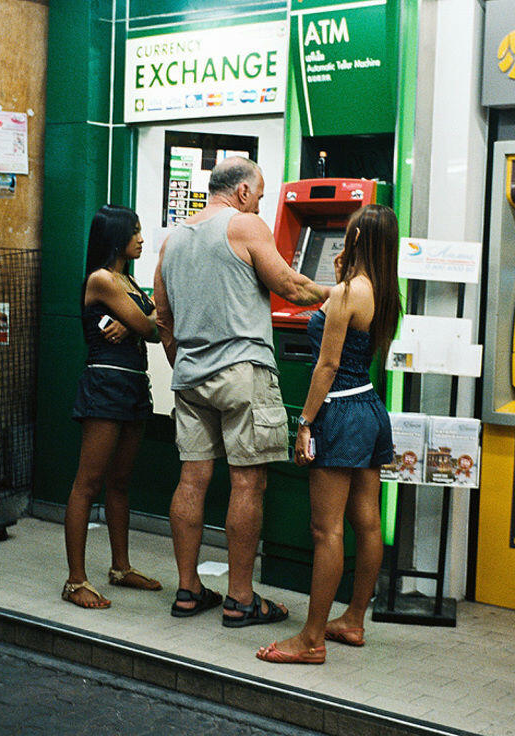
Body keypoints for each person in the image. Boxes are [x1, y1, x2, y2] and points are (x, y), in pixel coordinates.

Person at [153, 157, 331, 625]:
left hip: (190, 375)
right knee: (248, 482)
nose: (262, 203)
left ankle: (188, 591)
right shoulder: (245, 225)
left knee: (191, 480)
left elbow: (162, 317)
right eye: (262, 194)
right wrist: (342, 294)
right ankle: (240, 599)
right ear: (245, 192)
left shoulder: (173, 241)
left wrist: (185, 363)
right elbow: (290, 285)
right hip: (242, 371)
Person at [256, 204, 401, 663]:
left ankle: (311, 638)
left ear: (356, 240)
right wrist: (336, 280)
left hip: (338, 411)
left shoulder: (345, 294)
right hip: (370, 408)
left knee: (326, 529)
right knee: (368, 521)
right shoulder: (384, 292)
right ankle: (353, 620)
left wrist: (305, 422)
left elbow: (327, 365)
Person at [62, 204, 162, 609]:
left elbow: (155, 319)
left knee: (120, 482)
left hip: (132, 385)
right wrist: (141, 317)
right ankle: (75, 581)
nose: (141, 238)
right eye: (135, 231)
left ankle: (120, 568)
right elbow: (153, 327)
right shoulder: (103, 279)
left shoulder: (126, 281)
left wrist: (143, 316)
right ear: (116, 236)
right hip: (106, 385)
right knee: (87, 484)